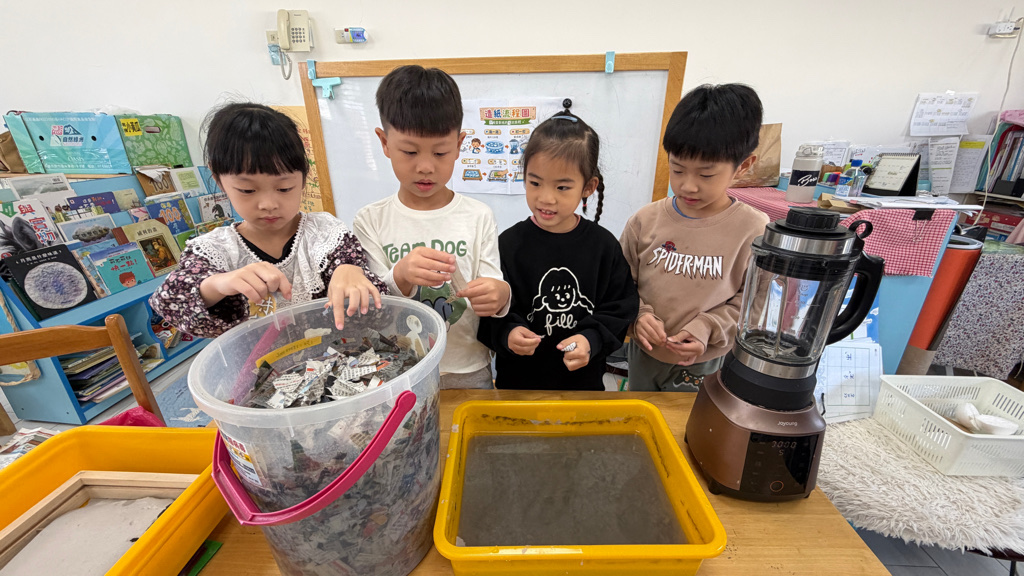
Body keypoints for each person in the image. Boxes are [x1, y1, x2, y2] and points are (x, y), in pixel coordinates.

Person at [150, 103, 386, 338]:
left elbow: (381, 315)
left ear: (304, 177)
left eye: (284, 188)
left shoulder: (326, 234)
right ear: (219, 180)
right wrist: (217, 284)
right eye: (247, 190)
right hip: (255, 361)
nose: (268, 204)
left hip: (333, 354)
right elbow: (168, 303)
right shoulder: (215, 251)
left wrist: (352, 272)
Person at [353, 65, 511, 389]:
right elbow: (370, 311)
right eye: (410, 151)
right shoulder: (370, 220)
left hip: (467, 368)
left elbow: (494, 287)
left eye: (440, 152)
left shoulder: (478, 215)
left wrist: (501, 295)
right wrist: (400, 274)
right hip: (398, 371)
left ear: (460, 144)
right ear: (384, 142)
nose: (425, 166)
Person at [620, 84, 770, 391]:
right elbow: (618, 283)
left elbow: (755, 305)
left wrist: (707, 327)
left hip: (710, 362)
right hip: (645, 355)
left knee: (695, 420)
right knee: (641, 415)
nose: (688, 185)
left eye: (706, 175)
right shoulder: (644, 221)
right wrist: (638, 314)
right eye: (677, 170)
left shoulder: (754, 230)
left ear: (743, 167)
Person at [478, 110, 638, 390]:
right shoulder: (507, 244)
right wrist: (508, 332)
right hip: (518, 386)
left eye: (562, 187)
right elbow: (488, 311)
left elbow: (620, 308)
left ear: (588, 187)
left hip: (582, 387)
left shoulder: (603, 247)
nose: (546, 198)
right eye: (535, 183)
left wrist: (591, 339)